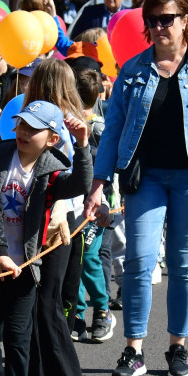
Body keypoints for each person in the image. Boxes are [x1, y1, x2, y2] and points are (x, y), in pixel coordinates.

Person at [83, 0, 188, 376]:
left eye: (165, 19)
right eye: (151, 21)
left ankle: (176, 347)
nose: (157, 28)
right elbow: (115, 126)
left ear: (185, 21)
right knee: (139, 260)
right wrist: (99, 181)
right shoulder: (134, 70)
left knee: (184, 264)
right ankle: (133, 349)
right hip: (146, 176)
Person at [0, 100, 92, 376]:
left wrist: (82, 145)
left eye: (33, 128)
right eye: (21, 124)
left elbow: (81, 184)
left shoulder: (52, 170)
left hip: (26, 268)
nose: (23, 132)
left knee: (18, 337)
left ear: (52, 139)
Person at [71, 69, 115, 342]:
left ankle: (101, 309)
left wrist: (108, 202)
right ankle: (75, 314)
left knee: (88, 256)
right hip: (70, 201)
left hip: (96, 202)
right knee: (71, 258)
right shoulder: (66, 123)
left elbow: (110, 167)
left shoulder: (100, 128)